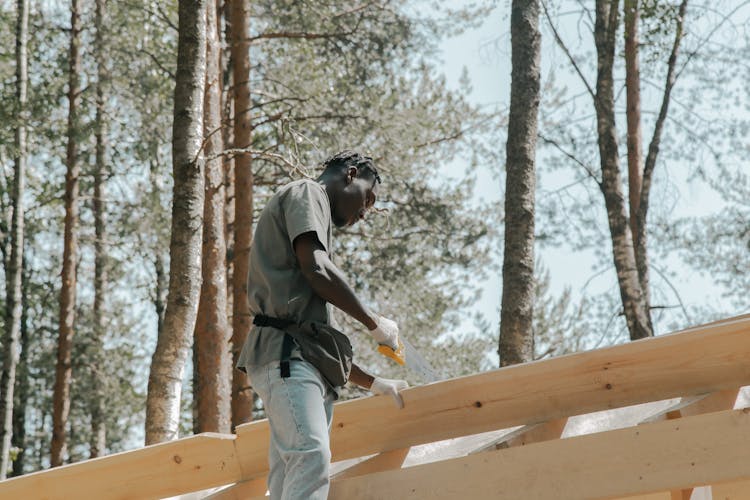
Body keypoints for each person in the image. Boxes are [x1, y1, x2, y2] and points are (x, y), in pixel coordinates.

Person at [237, 150, 408, 500]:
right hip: (286, 360)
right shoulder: (306, 192)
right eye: (368, 198)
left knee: (289, 476)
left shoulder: (314, 228)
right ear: (351, 173)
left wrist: (373, 383)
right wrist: (372, 322)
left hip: (294, 360)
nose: (365, 212)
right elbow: (318, 269)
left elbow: (314, 340)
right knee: (311, 457)